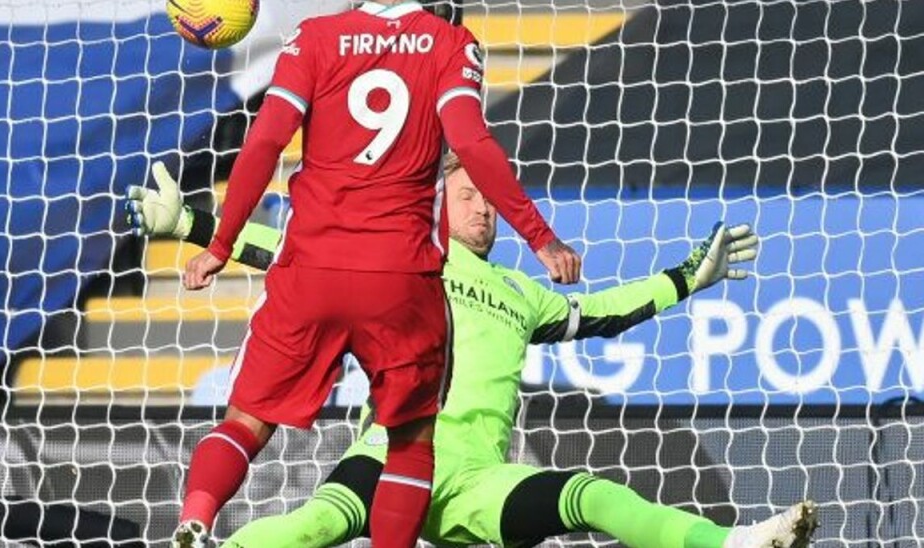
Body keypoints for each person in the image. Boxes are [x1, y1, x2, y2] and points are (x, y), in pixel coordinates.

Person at [126, 154, 817, 548]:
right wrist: (190, 223)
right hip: (394, 452)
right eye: (467, 195)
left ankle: (732, 545)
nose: (483, 209)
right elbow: (291, 252)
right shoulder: (402, 255)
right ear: (437, 203)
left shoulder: (521, 292)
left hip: (475, 481)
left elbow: (605, 312)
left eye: (491, 200)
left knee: (589, 495)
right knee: (317, 524)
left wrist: (686, 279)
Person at [173, 1, 582, 545]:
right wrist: (539, 236)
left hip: (311, 268)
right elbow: (471, 144)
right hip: (400, 277)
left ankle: (195, 520)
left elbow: (266, 142)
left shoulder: (313, 37)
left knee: (245, 421)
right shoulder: (449, 43)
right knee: (412, 441)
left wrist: (221, 243)